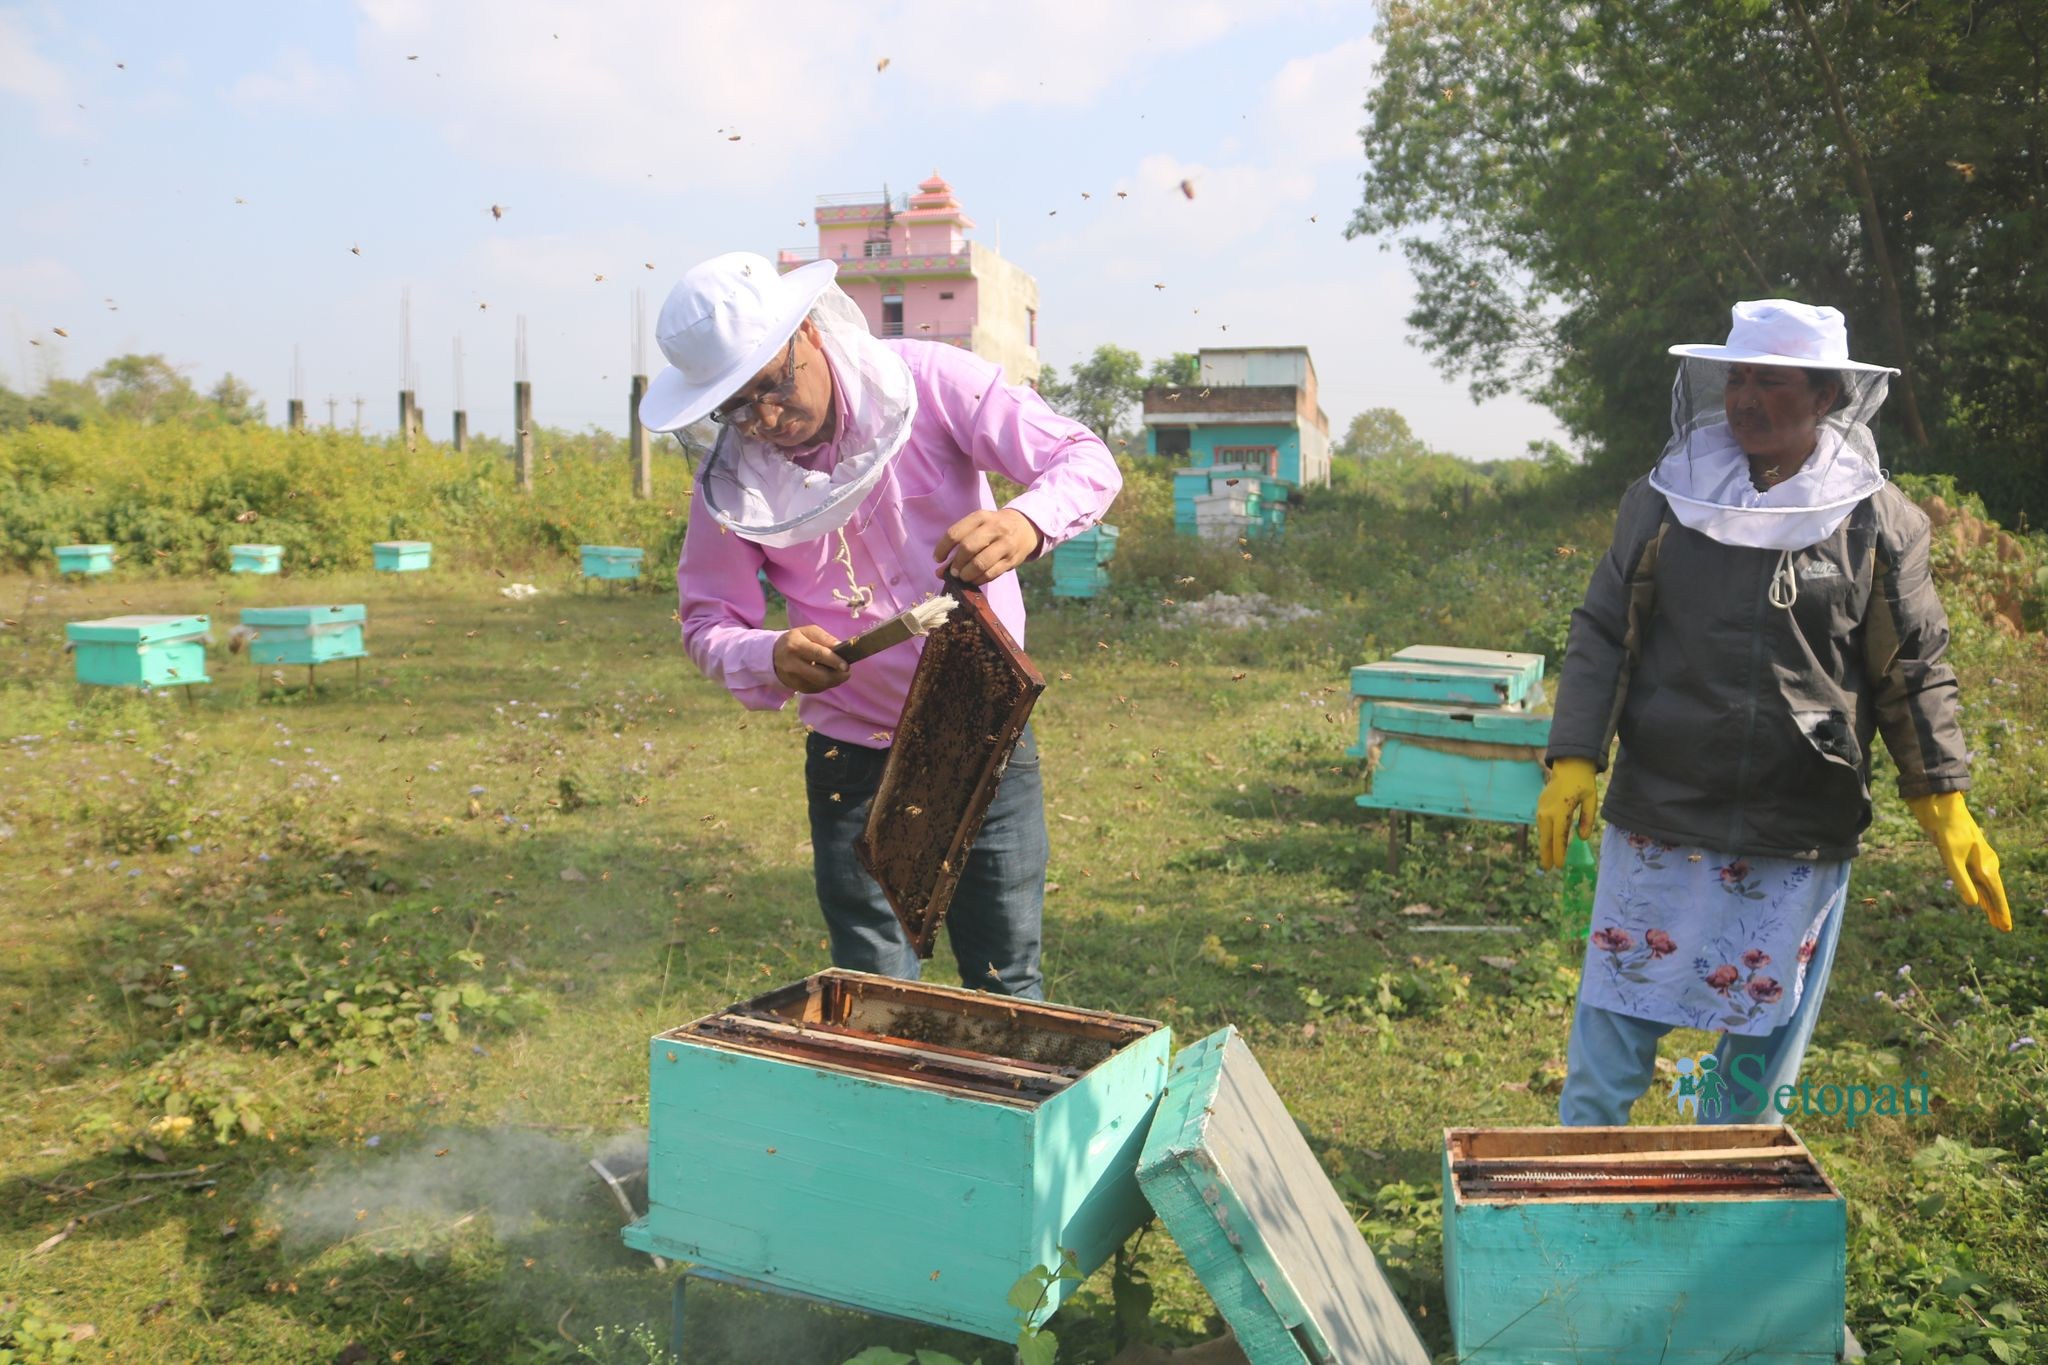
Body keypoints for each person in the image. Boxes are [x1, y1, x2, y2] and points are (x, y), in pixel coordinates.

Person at [1538, 298, 2011, 1126]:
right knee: (1610, 1042)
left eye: (1772, 381)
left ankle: (1725, 1224)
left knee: (1753, 1069)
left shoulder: (1876, 521)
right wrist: (1575, 752)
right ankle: (1577, 1212)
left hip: (1801, 817)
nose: (1746, 398)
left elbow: (1914, 667)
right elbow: (1605, 628)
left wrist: (1942, 795)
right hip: (1664, 802)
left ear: (1827, 396)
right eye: (1737, 378)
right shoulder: (1663, 500)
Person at [639, 252, 1121, 1001]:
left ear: (808, 332)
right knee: (876, 997)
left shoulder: (932, 381)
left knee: (1006, 979)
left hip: (981, 730)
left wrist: (1027, 521)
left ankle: (998, 1117)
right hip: (852, 760)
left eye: (772, 383)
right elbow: (707, 621)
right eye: (736, 405)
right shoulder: (733, 485)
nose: (766, 418)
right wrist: (770, 653)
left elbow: (1083, 458)